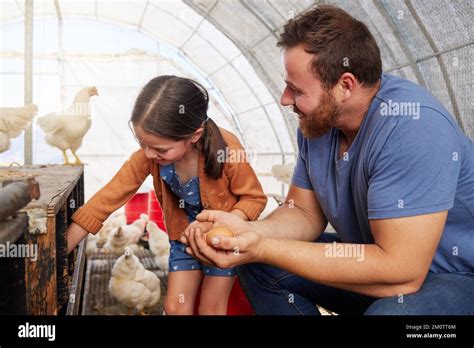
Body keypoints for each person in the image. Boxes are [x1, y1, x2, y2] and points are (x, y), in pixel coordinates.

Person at [182, 5, 474, 315]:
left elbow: (401, 276)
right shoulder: (317, 125)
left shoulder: (412, 127)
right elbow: (304, 213)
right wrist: (247, 233)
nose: (284, 99)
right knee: (258, 264)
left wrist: (262, 245)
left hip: (454, 277)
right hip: (377, 264)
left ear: (345, 86)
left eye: (295, 89)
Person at [66, 75, 267, 315]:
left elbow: (254, 198)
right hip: (182, 237)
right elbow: (105, 200)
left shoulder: (227, 151)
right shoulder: (148, 157)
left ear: (194, 135)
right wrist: (59, 253)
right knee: (174, 308)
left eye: (160, 149)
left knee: (211, 309)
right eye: (143, 144)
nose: (149, 154)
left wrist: (228, 222)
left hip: (221, 241)